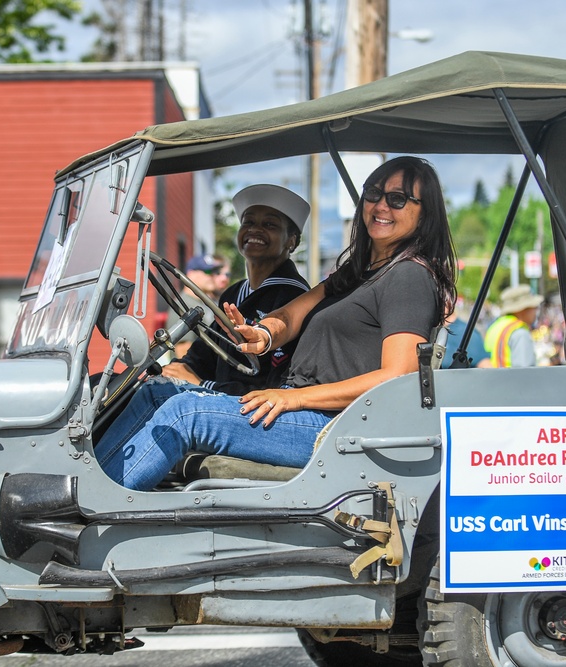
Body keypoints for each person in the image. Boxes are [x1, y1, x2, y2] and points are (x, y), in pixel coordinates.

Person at [96, 156, 456, 490]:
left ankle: (97, 505)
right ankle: (86, 484)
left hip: (337, 426)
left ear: (424, 215)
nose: (380, 206)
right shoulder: (358, 273)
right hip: (307, 410)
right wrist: (264, 334)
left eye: (398, 199)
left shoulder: (409, 276)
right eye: (374, 194)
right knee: (154, 391)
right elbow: (291, 314)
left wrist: (293, 398)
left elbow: (399, 376)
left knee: (186, 412)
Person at [163, 184, 311, 394]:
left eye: (270, 224)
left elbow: (275, 384)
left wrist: (202, 384)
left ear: (291, 241)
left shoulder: (295, 297)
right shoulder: (234, 293)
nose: (254, 229)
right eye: (248, 222)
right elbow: (207, 352)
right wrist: (178, 368)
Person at [165, 253, 224, 358]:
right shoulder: (183, 305)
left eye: (214, 272)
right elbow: (182, 350)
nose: (212, 276)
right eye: (207, 271)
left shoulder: (203, 303)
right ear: (191, 274)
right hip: (193, 372)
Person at [484, 285, 543, 367]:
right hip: (509, 379)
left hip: (494, 378)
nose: (536, 310)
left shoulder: (495, 326)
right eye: (534, 307)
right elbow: (524, 373)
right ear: (523, 309)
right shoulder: (520, 333)